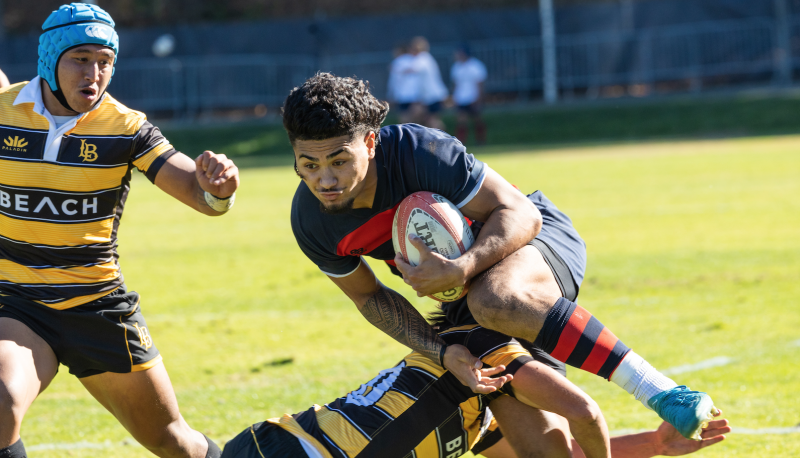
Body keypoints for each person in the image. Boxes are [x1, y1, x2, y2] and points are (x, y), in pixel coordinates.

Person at [283, 73, 718, 442]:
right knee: (543, 446)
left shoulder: (419, 152)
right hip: (461, 300)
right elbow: (368, 298)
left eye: (339, 161)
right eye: (309, 164)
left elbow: (520, 213)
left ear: (371, 142)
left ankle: (661, 391)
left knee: (494, 298)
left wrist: (463, 266)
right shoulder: (310, 221)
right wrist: (440, 351)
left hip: (534, 243)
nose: (325, 179)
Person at [0, 4, 239, 457]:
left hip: (99, 308)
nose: (95, 72)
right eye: (80, 58)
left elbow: (196, 192)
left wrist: (217, 187)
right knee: (0, 403)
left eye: (105, 61)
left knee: (174, 443)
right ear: (50, 60)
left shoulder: (126, 127)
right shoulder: (4, 112)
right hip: (20, 304)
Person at [220, 317, 729, 458]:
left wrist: (657, 444)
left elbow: (559, 454)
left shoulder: (480, 417)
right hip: (297, 449)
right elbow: (583, 412)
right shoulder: (488, 350)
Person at [408, 37, 448, 131]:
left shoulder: (422, 58)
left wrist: (398, 69)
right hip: (430, 96)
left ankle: (447, 139)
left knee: (432, 121)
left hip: (433, 96)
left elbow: (412, 69)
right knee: (427, 119)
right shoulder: (427, 58)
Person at [450, 44, 488, 145]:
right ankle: (460, 143)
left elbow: (480, 84)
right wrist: (454, 97)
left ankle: (481, 141)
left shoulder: (475, 66)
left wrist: (479, 98)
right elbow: (455, 84)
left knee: (477, 120)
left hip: (473, 97)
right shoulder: (456, 67)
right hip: (461, 98)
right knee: (461, 121)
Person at [386, 43, 423, 125]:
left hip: (402, 95)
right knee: (416, 119)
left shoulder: (397, 62)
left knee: (404, 119)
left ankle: (404, 136)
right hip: (416, 94)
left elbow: (393, 81)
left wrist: (391, 95)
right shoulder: (414, 60)